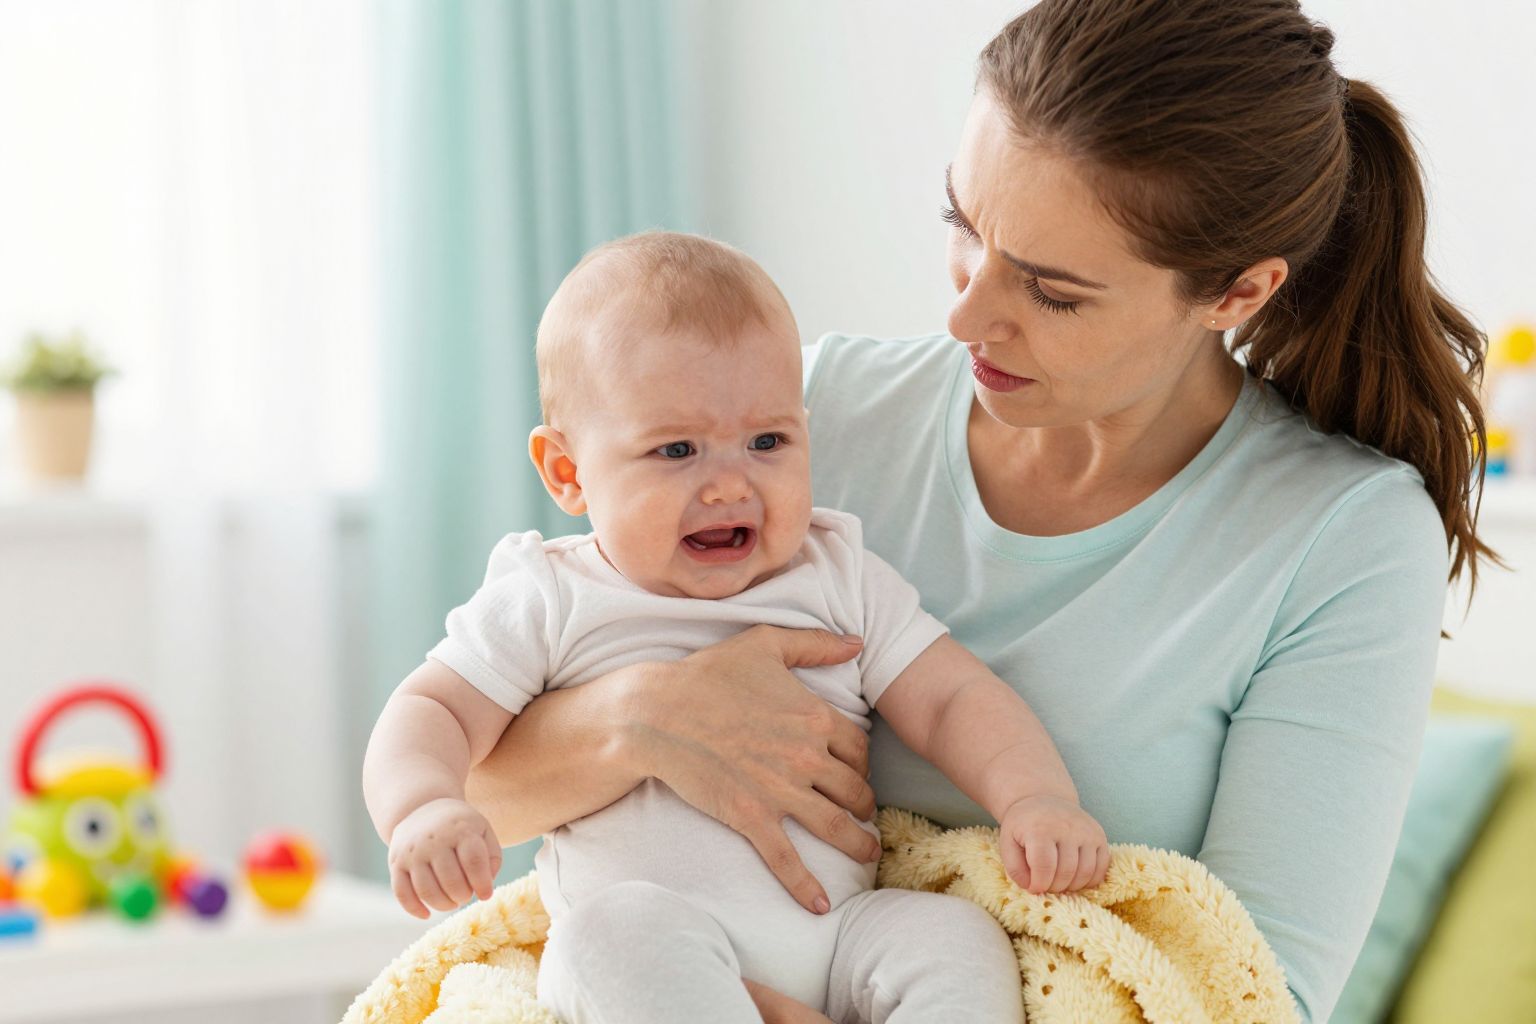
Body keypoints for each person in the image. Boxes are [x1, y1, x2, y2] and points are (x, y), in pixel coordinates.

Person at [461, 2, 1495, 1022]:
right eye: (963, 223)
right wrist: (643, 717)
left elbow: (1254, 992)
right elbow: (477, 797)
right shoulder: (797, 423)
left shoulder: (1344, 536)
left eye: (1052, 291)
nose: (964, 313)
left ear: (1236, 292)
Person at [363, 230, 1111, 1022]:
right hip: (656, 946)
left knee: (953, 936)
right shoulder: (551, 594)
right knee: (604, 937)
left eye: (767, 442)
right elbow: (433, 708)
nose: (729, 484)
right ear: (567, 472)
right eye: (676, 450)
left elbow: (952, 698)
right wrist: (423, 808)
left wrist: (1036, 798)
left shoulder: (838, 573)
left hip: (839, 939)